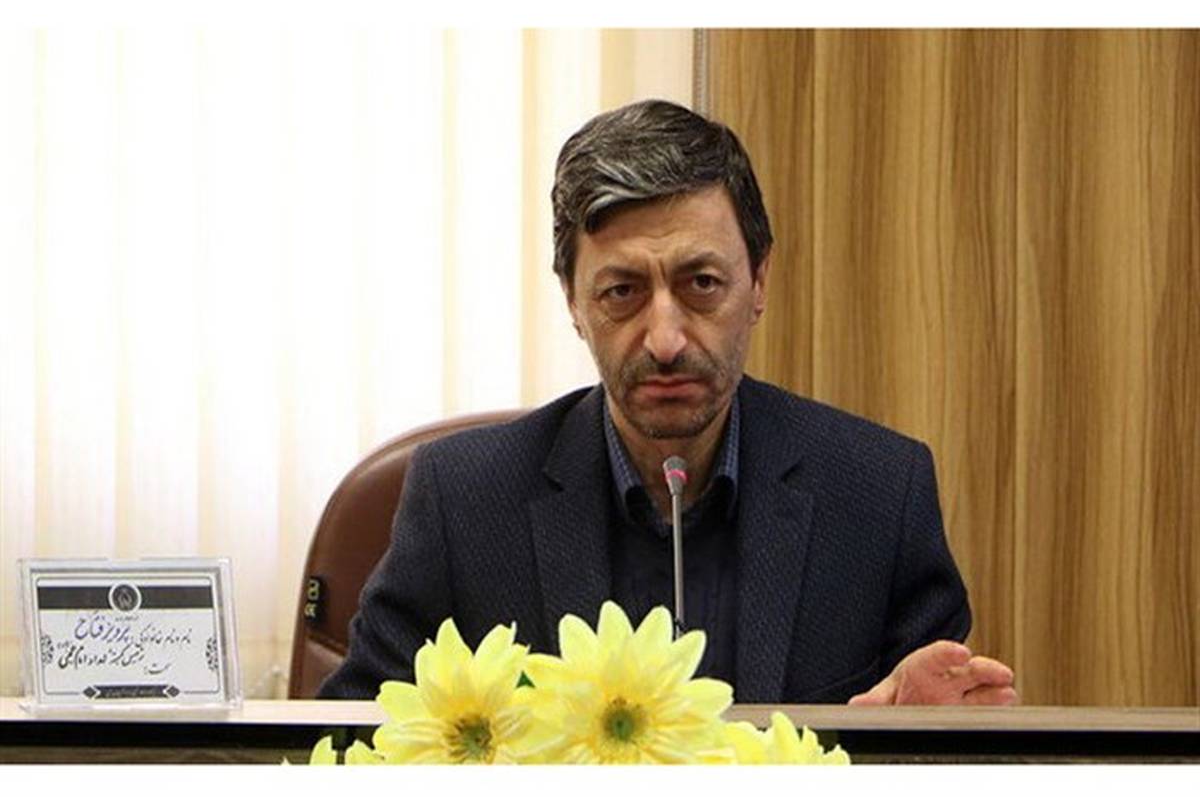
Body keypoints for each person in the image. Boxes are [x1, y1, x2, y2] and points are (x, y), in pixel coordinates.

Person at [319, 99, 1017, 706]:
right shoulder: (463, 500)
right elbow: (351, 744)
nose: (665, 339)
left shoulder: (879, 495)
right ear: (573, 302)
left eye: (701, 283)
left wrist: (899, 749)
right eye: (621, 292)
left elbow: (941, 744)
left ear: (759, 280)